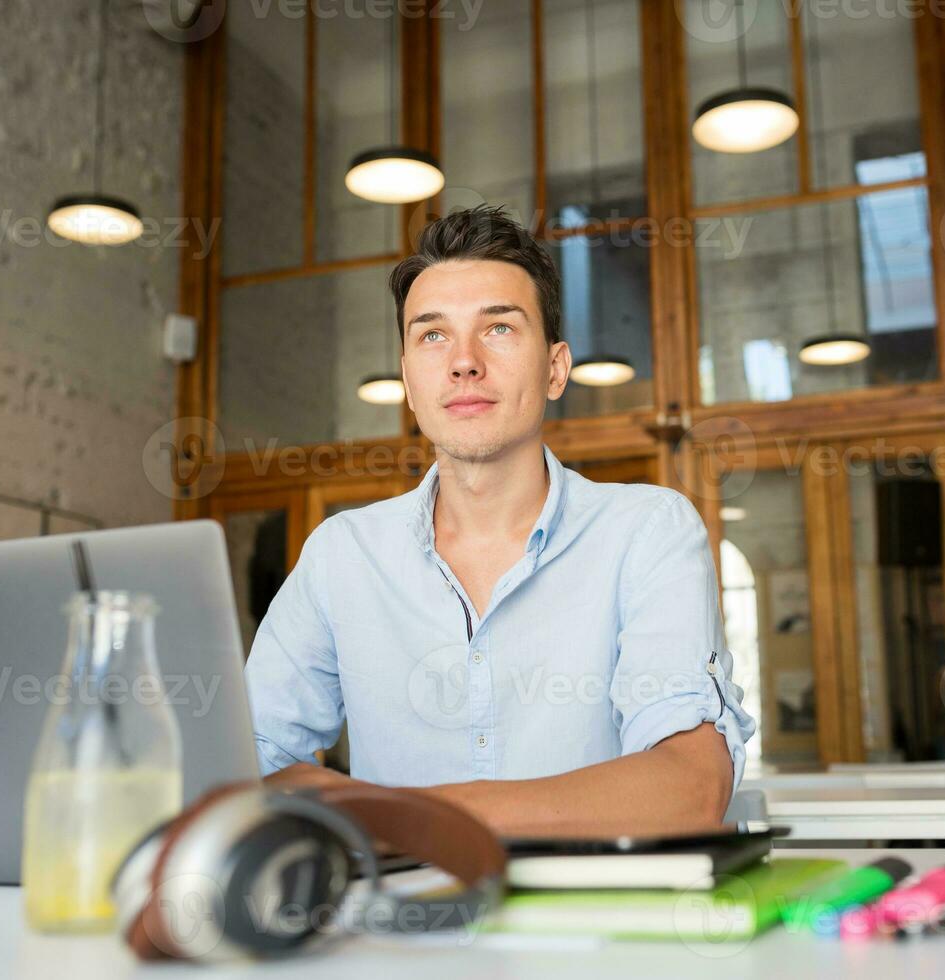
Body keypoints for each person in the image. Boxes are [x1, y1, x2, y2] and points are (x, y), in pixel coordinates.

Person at [245, 204, 757, 838]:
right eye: (432, 335)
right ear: (408, 380)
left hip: (598, 930)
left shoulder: (647, 533)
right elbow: (250, 766)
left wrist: (395, 813)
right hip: (398, 929)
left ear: (555, 368)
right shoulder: (342, 554)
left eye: (499, 329)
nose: (463, 361)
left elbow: (690, 788)